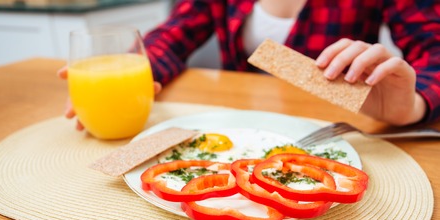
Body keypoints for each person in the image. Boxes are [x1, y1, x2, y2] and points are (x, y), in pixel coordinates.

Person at [63, 0, 440, 128]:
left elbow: (434, 50)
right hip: (239, 127)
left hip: (333, 128)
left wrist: (414, 105)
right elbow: (174, 34)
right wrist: (136, 73)